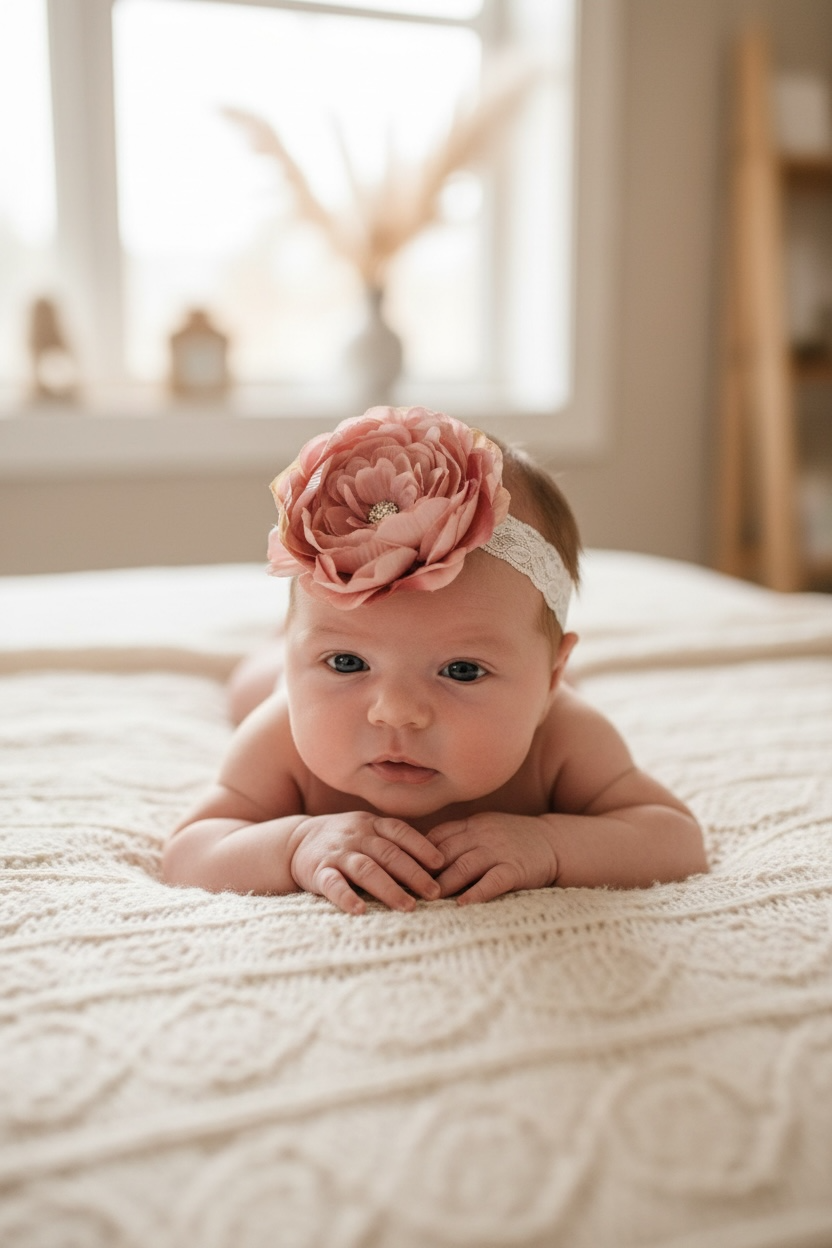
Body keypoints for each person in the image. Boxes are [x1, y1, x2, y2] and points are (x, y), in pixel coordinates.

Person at [163, 406, 707, 913]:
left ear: (551, 682)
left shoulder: (563, 738)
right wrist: (296, 844)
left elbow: (673, 838)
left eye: (462, 670)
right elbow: (191, 851)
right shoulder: (282, 735)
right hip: (278, 678)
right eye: (347, 663)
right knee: (247, 688)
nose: (395, 712)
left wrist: (551, 844)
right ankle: (273, 649)